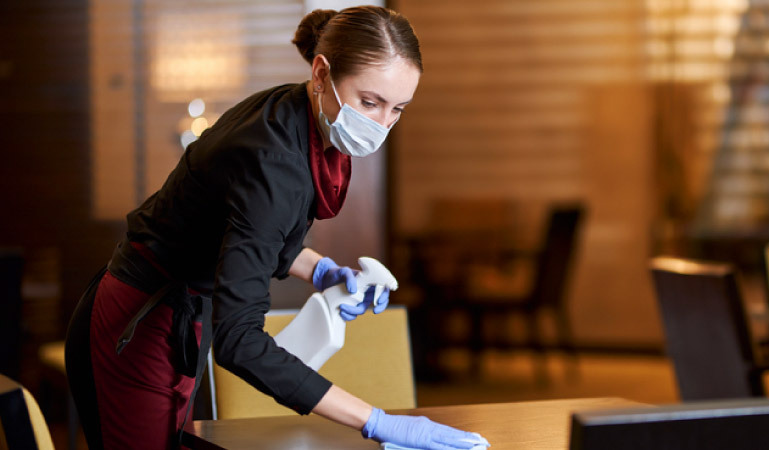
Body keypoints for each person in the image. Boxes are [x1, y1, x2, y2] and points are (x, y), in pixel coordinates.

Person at [65, 6, 487, 450]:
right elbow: (240, 342)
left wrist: (322, 271)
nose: (381, 124)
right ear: (322, 73)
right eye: (370, 102)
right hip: (136, 324)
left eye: (397, 108)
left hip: (172, 315)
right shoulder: (274, 158)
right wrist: (378, 421)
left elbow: (250, 229)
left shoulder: (295, 110)